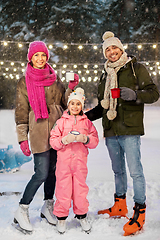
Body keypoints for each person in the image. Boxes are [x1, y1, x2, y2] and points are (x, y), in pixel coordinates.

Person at [85, 31, 159, 236]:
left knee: (135, 171)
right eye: (107, 49)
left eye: (114, 48)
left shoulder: (136, 69)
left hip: (130, 129)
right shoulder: (104, 75)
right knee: (118, 171)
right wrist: (85, 116)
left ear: (121, 48)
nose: (111, 52)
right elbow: (103, 106)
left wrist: (135, 95)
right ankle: (120, 205)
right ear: (104, 53)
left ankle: (140, 211)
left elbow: (154, 93)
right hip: (111, 129)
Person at [14, 41, 79, 233]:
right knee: (41, 173)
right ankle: (22, 209)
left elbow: (64, 103)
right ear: (30, 58)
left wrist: (71, 87)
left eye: (43, 55)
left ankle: (47, 205)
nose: (40, 59)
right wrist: (22, 138)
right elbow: (21, 111)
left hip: (58, 131)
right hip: (38, 131)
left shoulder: (54, 78)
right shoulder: (24, 81)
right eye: (36, 55)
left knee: (53, 171)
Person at [50, 87, 99, 234]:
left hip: (79, 164)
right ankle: (61, 218)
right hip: (64, 164)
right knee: (63, 190)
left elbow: (95, 141)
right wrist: (64, 140)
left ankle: (82, 215)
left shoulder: (87, 123)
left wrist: (86, 138)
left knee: (80, 190)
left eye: (78, 104)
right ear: (68, 105)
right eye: (73, 104)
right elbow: (53, 141)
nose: (75, 107)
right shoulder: (61, 122)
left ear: (82, 106)